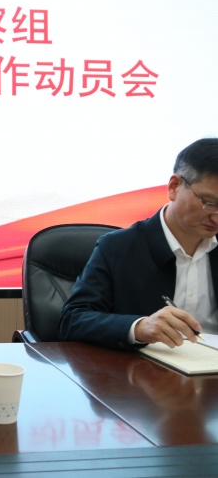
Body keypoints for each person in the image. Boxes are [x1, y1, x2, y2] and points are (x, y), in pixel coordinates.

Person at [59, 138, 218, 350]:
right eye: (209, 203)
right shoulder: (118, 247)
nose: (216, 218)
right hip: (142, 367)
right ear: (174, 187)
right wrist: (139, 327)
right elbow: (72, 320)